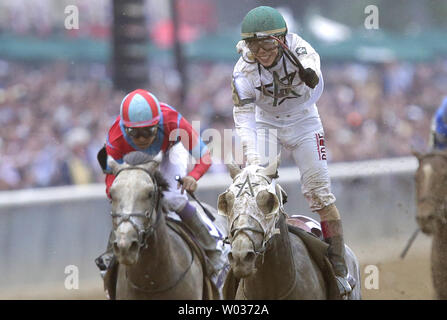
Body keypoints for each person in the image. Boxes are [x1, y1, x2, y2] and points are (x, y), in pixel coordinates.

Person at [231, 6, 355, 296]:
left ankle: (338, 267)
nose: (262, 53)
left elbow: (313, 69)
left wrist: (310, 72)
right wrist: (253, 161)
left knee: (320, 193)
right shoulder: (242, 71)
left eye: (268, 46)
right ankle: (247, 262)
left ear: (283, 40)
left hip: (304, 121)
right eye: (254, 47)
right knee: (256, 191)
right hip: (264, 124)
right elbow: (244, 118)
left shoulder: (302, 49)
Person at [95, 88, 224, 277]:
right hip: (132, 160)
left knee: (173, 199)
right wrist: (116, 194)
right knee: (126, 206)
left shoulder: (173, 121)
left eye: (148, 132)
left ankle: (213, 249)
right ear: (124, 129)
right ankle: (112, 260)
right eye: (134, 133)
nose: (142, 139)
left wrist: (193, 177)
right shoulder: (115, 136)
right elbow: (109, 176)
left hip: (169, 153)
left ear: (158, 123)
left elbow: (204, 157)